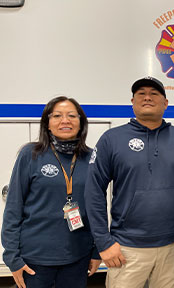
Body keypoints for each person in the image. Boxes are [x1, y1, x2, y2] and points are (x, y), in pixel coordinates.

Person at [85, 77, 174, 288]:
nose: (147, 97)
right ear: (132, 102)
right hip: (126, 248)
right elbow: (93, 191)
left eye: (154, 94)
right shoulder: (111, 139)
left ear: (166, 103)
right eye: (141, 93)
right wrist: (103, 242)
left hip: (172, 246)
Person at [2, 96, 101, 288]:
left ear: (81, 123)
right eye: (57, 116)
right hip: (35, 257)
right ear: (47, 123)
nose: (65, 120)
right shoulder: (31, 154)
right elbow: (14, 207)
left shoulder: (91, 158)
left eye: (72, 115)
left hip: (78, 255)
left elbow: (96, 208)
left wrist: (97, 250)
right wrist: (12, 256)